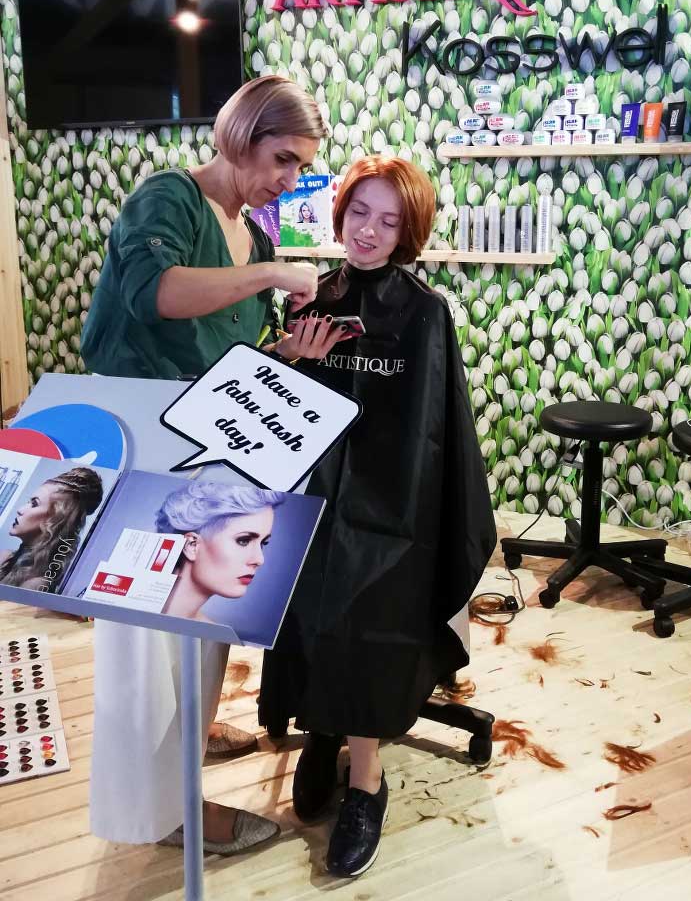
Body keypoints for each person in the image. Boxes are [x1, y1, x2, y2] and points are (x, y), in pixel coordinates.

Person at [86, 75, 347, 853]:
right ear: (241, 134)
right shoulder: (167, 200)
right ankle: (163, 811)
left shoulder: (252, 235)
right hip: (144, 451)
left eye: (301, 166)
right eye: (282, 158)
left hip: (207, 453)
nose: (289, 181)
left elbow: (228, 360)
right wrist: (270, 277)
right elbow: (159, 294)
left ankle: (189, 738)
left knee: (201, 619)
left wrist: (289, 351)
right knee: (145, 637)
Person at [258, 156, 497, 878]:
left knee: (367, 616)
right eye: (359, 212)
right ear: (340, 213)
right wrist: (291, 357)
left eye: (389, 221)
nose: (369, 231)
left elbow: (433, 429)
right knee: (305, 612)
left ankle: (366, 782)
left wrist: (402, 516)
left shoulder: (426, 312)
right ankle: (321, 733)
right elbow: (275, 409)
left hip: (392, 508)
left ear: (408, 232)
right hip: (312, 495)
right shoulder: (310, 297)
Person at [156, 482, 283, 622]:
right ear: (191, 545)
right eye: (243, 541)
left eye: (263, 543)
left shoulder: (209, 631)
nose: (259, 559)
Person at [0, 467, 104, 591]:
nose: (20, 510)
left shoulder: (36, 585)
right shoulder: (4, 558)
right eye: (29, 502)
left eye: (34, 504)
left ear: (55, 520)